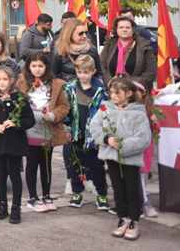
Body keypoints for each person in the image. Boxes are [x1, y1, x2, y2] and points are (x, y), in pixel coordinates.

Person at [88, 76, 152, 241]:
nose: (113, 96)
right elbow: (94, 126)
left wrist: (123, 145)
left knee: (132, 188)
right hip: (111, 155)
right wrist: (106, 138)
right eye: (111, 93)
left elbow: (144, 138)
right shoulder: (105, 108)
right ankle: (122, 217)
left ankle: (134, 220)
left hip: (130, 158)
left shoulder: (138, 113)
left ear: (129, 93)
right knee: (117, 187)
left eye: (118, 93)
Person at [0, 65, 35, 224]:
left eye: (5, 79)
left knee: (14, 174)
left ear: (12, 80)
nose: (2, 83)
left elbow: (29, 120)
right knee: (1, 174)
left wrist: (16, 122)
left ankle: (16, 207)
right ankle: (2, 205)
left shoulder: (20, 98)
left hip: (15, 142)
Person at [16, 51, 69, 212]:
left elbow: (64, 106)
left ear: (46, 67)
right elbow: (16, 103)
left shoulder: (55, 84)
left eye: (40, 65)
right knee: (31, 163)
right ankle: (33, 197)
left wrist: (53, 115)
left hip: (47, 130)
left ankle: (46, 195)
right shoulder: (22, 83)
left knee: (46, 164)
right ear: (28, 67)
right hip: (30, 130)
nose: (37, 69)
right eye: (33, 66)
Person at [61, 54, 109, 211]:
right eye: (80, 71)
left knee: (96, 166)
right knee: (73, 164)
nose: (83, 75)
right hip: (74, 133)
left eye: (86, 72)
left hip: (92, 136)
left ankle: (101, 194)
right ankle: (77, 192)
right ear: (76, 71)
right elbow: (65, 110)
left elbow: (105, 113)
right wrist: (65, 128)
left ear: (93, 71)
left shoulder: (100, 91)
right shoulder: (70, 89)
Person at [100, 15, 157, 89]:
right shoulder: (109, 44)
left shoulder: (145, 46)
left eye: (127, 27)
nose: (124, 30)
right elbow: (102, 66)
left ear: (133, 30)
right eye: (121, 27)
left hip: (136, 91)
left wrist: (131, 82)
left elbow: (150, 72)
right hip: (112, 90)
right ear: (116, 29)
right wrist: (110, 81)